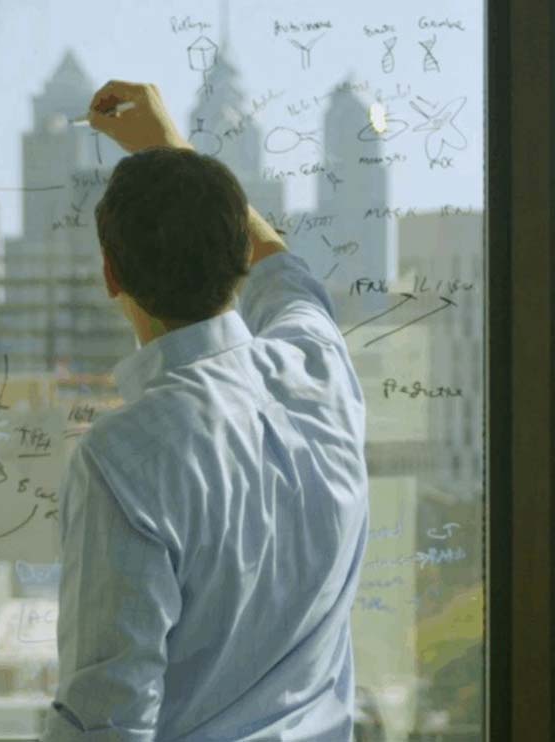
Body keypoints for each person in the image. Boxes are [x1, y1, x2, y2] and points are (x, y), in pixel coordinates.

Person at [41, 80, 370, 741]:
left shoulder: (122, 460)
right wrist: (172, 148)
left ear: (111, 273)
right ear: (235, 261)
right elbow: (286, 272)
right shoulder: (321, 373)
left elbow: (107, 720)